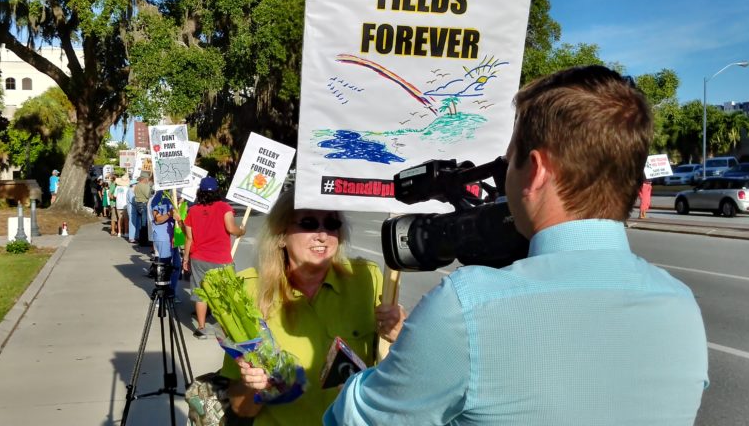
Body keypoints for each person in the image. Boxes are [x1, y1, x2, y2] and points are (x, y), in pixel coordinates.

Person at [325, 65, 709, 425]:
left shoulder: (468, 307)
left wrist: (358, 382)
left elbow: (355, 418)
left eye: (508, 162)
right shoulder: (683, 307)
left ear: (537, 170)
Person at [220, 188, 404, 425]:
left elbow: (396, 373)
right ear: (281, 235)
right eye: (308, 223)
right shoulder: (248, 292)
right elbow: (241, 409)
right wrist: (251, 385)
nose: (323, 234)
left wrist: (402, 335)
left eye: (331, 223)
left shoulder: (367, 279)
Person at [182, 177, 246, 339]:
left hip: (199, 258)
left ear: (200, 192)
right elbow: (231, 229)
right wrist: (241, 231)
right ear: (217, 190)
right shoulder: (224, 207)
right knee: (225, 293)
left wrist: (185, 259)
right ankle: (226, 328)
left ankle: (201, 328)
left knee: (200, 293)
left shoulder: (193, 210)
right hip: (221, 259)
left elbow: (189, 239)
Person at [148, 190, 181, 297]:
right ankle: (161, 297)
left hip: (175, 236)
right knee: (164, 268)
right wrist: (169, 213)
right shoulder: (159, 196)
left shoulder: (176, 193)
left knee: (176, 266)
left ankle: (171, 293)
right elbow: (157, 219)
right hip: (163, 237)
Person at [130, 171, 153, 244]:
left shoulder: (137, 185)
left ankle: (141, 239)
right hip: (144, 204)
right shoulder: (145, 186)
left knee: (141, 222)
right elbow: (148, 195)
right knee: (145, 223)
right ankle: (143, 241)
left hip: (138, 204)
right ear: (145, 178)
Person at [114, 174, 130, 239]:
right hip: (125, 205)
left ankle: (119, 232)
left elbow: (115, 196)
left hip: (118, 204)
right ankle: (126, 233)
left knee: (119, 219)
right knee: (126, 219)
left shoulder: (117, 187)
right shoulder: (127, 188)